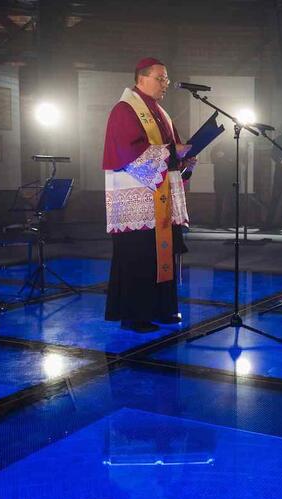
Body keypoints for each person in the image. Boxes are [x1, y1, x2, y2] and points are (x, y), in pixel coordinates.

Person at [101, 57, 197, 333]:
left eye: (166, 79)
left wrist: (183, 160)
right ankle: (135, 315)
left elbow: (168, 153)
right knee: (138, 256)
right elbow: (129, 152)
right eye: (161, 78)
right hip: (137, 202)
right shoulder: (125, 109)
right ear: (141, 78)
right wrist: (173, 152)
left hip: (160, 198)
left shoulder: (160, 112)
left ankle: (162, 308)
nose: (165, 84)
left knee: (161, 255)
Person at [211, 140, 236, 228]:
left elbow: (238, 159)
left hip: (231, 178)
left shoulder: (235, 146)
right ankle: (217, 221)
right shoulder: (217, 147)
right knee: (220, 200)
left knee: (232, 200)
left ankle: (230, 222)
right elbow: (213, 159)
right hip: (220, 178)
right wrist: (226, 158)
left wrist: (223, 156)